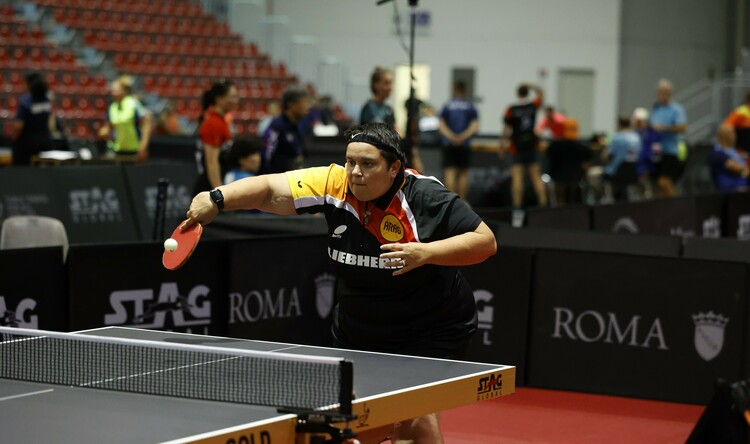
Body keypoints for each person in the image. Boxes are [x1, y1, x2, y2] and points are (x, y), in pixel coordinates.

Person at [183, 122, 497, 443]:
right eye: (350, 161)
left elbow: (485, 241)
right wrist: (217, 198)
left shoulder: (424, 196)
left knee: (413, 417)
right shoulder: (333, 184)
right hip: (360, 325)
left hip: (429, 326)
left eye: (368, 164)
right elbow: (269, 189)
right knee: (355, 420)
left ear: (394, 168)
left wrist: (426, 253)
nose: (355, 172)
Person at [500, 83, 548, 211]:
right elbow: (542, 93)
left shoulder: (512, 109)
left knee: (517, 178)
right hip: (531, 145)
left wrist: (501, 146)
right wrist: (531, 85)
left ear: (518, 94)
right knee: (536, 177)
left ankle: (517, 208)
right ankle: (543, 206)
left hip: (517, 146)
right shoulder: (532, 105)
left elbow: (505, 129)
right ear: (528, 93)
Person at [194, 81, 239, 194]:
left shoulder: (221, 122)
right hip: (209, 188)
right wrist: (219, 192)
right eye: (232, 96)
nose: (236, 101)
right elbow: (211, 162)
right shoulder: (213, 124)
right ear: (219, 98)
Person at [438, 80, 479, 200]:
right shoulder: (470, 106)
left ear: (454, 90)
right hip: (464, 144)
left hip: (449, 144)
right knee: (463, 173)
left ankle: (450, 203)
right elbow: (474, 126)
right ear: (465, 91)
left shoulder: (447, 105)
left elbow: (441, 125)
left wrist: (451, 137)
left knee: (449, 172)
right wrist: (463, 137)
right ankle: (462, 203)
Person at [98, 75, 152, 163]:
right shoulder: (112, 107)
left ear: (124, 90)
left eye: (116, 89)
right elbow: (108, 126)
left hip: (135, 150)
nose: (113, 92)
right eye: (112, 90)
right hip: (118, 150)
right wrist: (104, 131)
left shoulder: (133, 104)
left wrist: (143, 146)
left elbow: (147, 124)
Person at [650, 79, 687, 198]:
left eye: (666, 93)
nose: (664, 95)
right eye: (661, 92)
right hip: (656, 151)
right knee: (655, 184)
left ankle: (676, 205)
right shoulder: (656, 108)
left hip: (670, 151)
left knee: (664, 182)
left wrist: (664, 127)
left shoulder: (676, 109)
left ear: (670, 94)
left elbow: (683, 127)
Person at [11, 72, 58, 166]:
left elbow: (19, 126)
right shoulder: (47, 101)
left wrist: (13, 140)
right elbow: (51, 122)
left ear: (29, 85)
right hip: (45, 142)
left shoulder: (25, 102)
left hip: (26, 145)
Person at [261, 88, 309, 174]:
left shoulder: (299, 126)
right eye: (304, 102)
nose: (307, 107)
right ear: (291, 105)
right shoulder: (277, 127)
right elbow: (267, 157)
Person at [545, 118, 592, 204]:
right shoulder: (582, 148)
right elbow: (587, 163)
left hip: (557, 176)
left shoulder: (554, 146)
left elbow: (548, 157)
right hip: (576, 176)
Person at [602, 116, 642, 201]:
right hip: (634, 170)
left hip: (617, 171)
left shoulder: (617, 137)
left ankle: (606, 199)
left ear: (619, 125)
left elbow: (607, 155)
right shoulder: (636, 137)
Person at [709, 124, 749, 193]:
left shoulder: (732, 151)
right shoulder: (717, 153)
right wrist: (745, 171)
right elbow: (734, 167)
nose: (734, 136)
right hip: (731, 190)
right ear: (724, 136)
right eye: (732, 134)